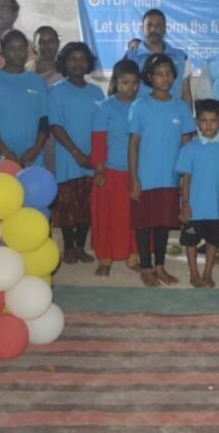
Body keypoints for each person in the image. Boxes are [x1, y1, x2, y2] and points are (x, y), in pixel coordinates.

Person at [128, 53, 197, 286]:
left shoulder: (181, 108)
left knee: (163, 225)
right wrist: (133, 178)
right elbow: (133, 144)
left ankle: (160, 266)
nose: (164, 78)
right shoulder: (140, 106)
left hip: (170, 177)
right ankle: (145, 268)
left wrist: (185, 176)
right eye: (159, 74)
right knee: (144, 224)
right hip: (145, 177)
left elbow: (186, 145)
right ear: (149, 77)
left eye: (168, 73)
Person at [48, 42, 104, 265]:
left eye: (82, 59)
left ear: (89, 63)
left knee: (87, 205)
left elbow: (102, 126)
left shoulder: (97, 92)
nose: (77, 63)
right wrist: (76, 152)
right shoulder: (56, 91)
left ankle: (81, 246)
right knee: (67, 205)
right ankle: (69, 246)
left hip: (93, 158)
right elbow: (56, 125)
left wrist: (96, 155)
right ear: (64, 63)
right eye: (72, 59)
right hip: (68, 157)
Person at [176, 99, 219, 288]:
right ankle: (194, 273)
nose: (209, 125)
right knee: (191, 242)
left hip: (217, 208)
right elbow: (186, 178)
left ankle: (207, 272)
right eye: (204, 120)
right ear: (197, 122)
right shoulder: (190, 148)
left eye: (213, 121)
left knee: (213, 241)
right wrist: (185, 204)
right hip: (194, 208)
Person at [90, 59, 140, 277]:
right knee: (107, 218)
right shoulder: (105, 107)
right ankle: (105, 258)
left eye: (134, 83)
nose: (130, 88)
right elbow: (98, 141)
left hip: (136, 172)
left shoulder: (143, 105)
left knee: (134, 218)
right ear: (116, 82)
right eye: (125, 83)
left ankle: (133, 256)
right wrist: (99, 169)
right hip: (110, 172)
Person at [0, 30, 49, 167]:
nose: (18, 53)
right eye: (12, 48)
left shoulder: (38, 82)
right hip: (0, 157)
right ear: (3, 51)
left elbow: (44, 120)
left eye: (21, 48)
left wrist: (35, 150)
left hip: (32, 159)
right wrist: (5, 152)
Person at [125, 9, 193, 109]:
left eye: (158, 25)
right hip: (141, 116)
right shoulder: (130, 57)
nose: (153, 29)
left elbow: (186, 93)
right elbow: (122, 92)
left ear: (165, 28)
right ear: (142, 28)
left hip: (174, 115)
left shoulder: (181, 57)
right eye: (149, 25)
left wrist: (188, 117)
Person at [33, 26, 63, 174]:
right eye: (41, 41)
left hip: (55, 135)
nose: (46, 46)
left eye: (50, 41)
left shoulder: (64, 74)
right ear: (34, 46)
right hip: (28, 131)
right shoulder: (25, 70)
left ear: (58, 44)